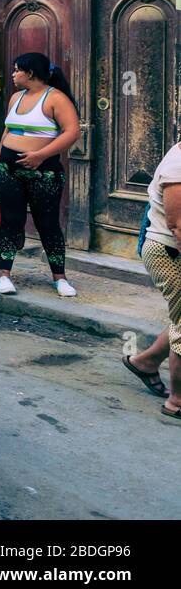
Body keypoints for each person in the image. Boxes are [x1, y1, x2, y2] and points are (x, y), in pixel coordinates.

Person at [0, 52, 81, 298]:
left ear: (30, 73)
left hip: (45, 173)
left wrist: (40, 155)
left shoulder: (55, 98)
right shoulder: (15, 98)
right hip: (9, 170)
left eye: (17, 70)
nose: (13, 74)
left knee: (48, 223)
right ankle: (4, 275)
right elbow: (8, 131)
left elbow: (72, 132)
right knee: (10, 221)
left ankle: (60, 278)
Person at [123, 140, 181, 422]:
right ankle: (177, 401)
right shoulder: (178, 167)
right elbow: (179, 226)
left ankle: (146, 362)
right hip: (168, 250)